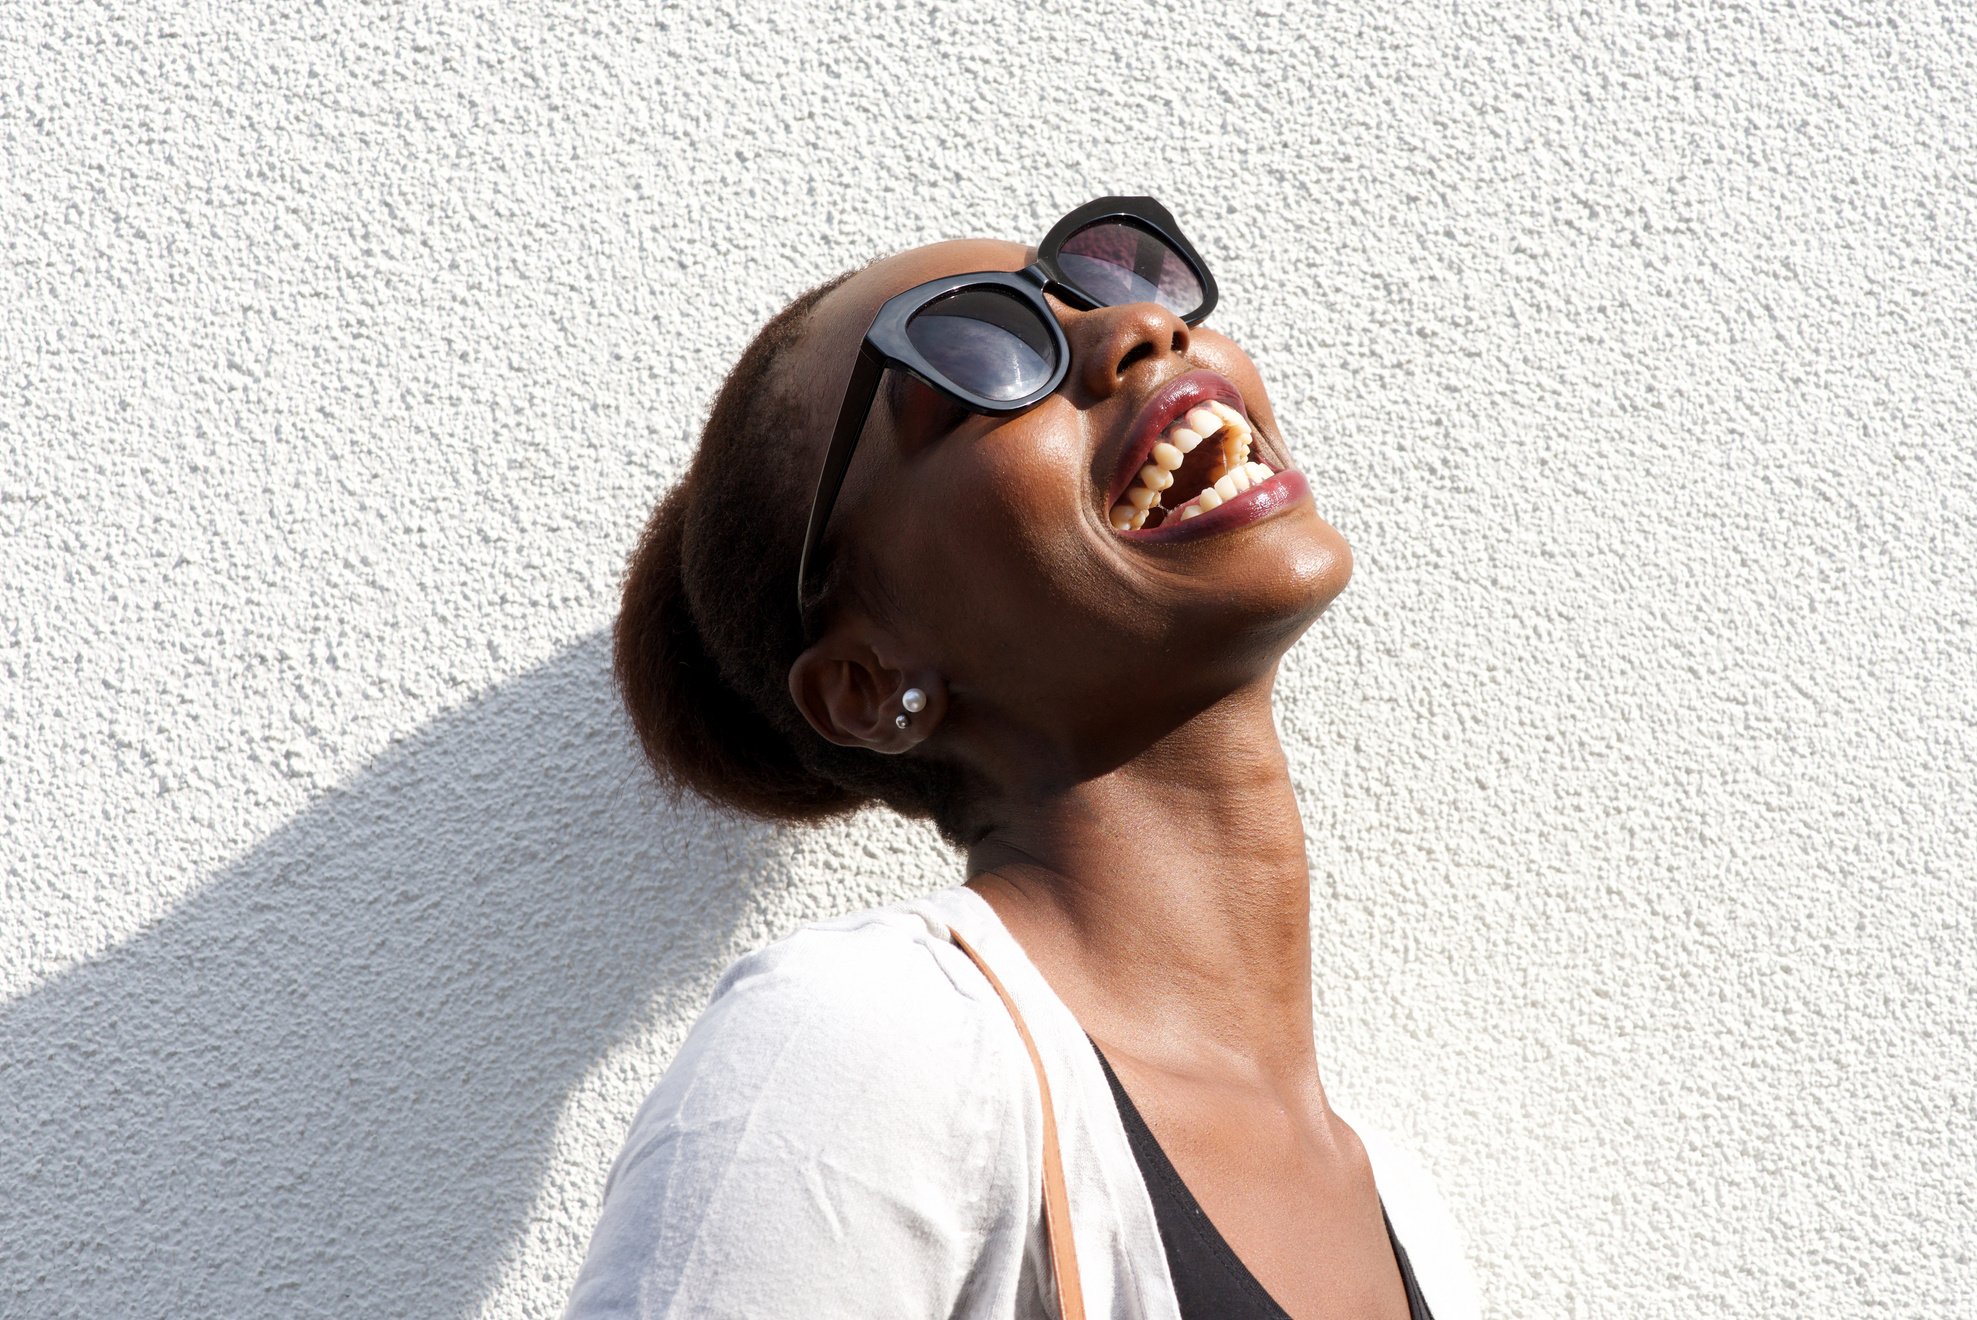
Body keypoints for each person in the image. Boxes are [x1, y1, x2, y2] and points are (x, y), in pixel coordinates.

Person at [563, 198, 1482, 1319]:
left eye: (1100, 286)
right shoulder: (858, 1046)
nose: (1137, 328)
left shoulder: (1405, 1213)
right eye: (979, 356)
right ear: (865, 680)